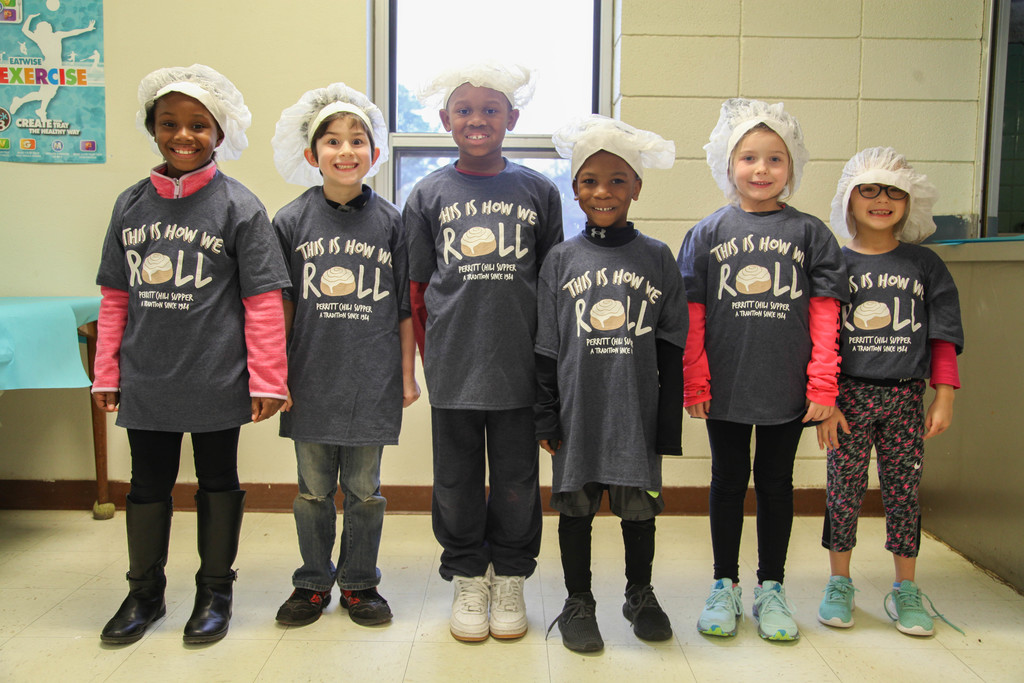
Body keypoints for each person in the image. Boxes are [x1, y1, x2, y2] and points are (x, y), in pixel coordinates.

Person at [93, 64, 289, 645]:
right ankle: (144, 592)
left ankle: (214, 592)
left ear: (220, 133)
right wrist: (107, 370)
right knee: (147, 486)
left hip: (215, 378)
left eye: (199, 125)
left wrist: (268, 379)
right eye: (169, 123)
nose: (184, 135)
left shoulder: (239, 206)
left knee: (217, 481)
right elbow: (113, 296)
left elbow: (263, 302)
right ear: (152, 129)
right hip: (147, 378)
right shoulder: (130, 206)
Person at [677, 98, 848, 641]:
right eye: (749, 157)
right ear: (729, 166)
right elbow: (692, 315)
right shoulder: (707, 233)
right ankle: (723, 584)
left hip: (786, 387)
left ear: (792, 167)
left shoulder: (811, 234)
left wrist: (823, 383)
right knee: (727, 482)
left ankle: (770, 588)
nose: (761, 169)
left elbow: (826, 317)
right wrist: (694, 377)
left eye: (775, 159)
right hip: (725, 387)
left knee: (776, 484)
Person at [403, 61, 563, 642]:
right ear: (446, 120)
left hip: (520, 367)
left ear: (511, 118)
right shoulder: (428, 193)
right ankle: (469, 574)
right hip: (454, 366)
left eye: (490, 110)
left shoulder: (538, 191)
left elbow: (551, 285)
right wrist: (428, 362)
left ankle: (512, 575)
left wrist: (550, 367)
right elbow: (418, 291)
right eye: (465, 110)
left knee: (520, 477)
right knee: (456, 479)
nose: (477, 120)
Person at [269, 83, 419, 628]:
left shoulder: (392, 222)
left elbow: (405, 307)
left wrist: (406, 375)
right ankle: (312, 582)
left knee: (363, 491)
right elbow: (278, 307)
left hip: (371, 380)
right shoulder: (289, 221)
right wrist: (276, 374)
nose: (346, 150)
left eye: (358, 140)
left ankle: (359, 583)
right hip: (309, 379)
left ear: (374, 154)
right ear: (313, 155)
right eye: (332, 141)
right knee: (312, 491)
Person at [536, 115, 687, 653]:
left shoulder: (658, 258)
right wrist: (546, 413)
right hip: (578, 412)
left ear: (637, 188)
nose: (603, 191)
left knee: (639, 509)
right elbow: (547, 345)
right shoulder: (559, 260)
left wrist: (667, 425)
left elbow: (672, 344)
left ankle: (639, 593)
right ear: (575, 189)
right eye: (590, 180)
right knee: (575, 509)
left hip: (635, 412)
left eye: (617, 179)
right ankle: (579, 600)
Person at [816, 147, 965, 637]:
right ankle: (840, 582)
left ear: (910, 201)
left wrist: (944, 394)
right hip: (849, 399)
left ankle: (906, 588)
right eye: (870, 190)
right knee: (844, 489)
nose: (882, 200)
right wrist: (827, 403)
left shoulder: (925, 264)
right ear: (848, 198)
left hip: (905, 398)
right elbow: (821, 337)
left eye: (894, 192)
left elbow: (941, 333)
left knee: (904, 492)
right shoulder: (834, 263)